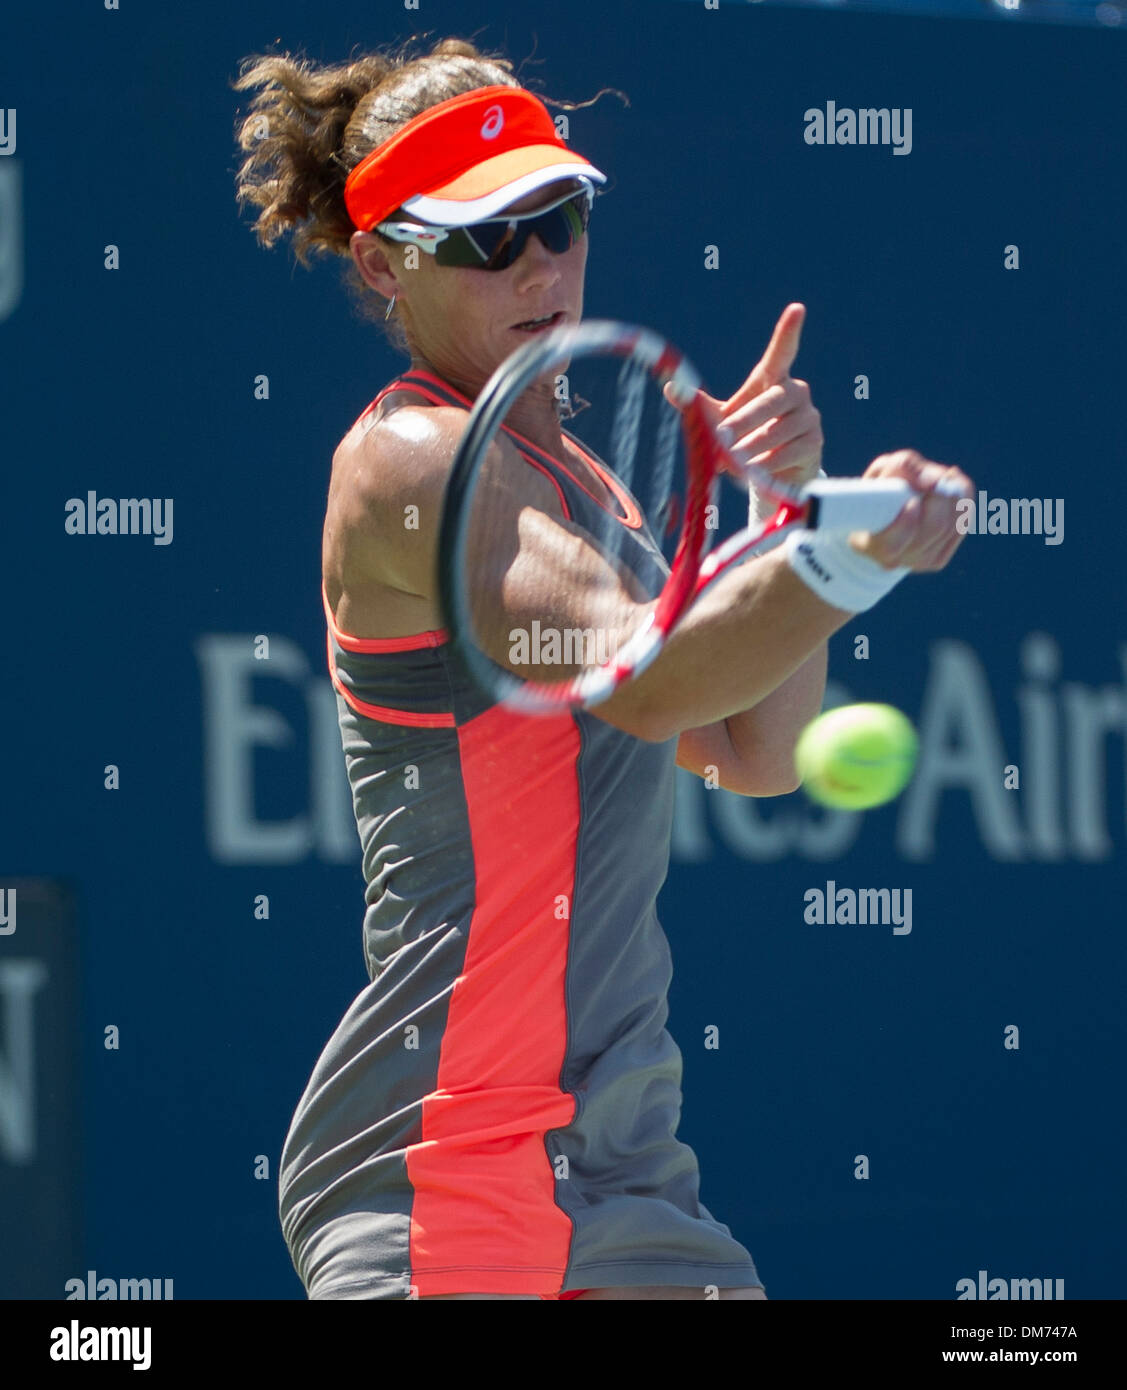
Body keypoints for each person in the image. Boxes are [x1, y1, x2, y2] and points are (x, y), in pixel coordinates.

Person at [233, 35, 970, 1301]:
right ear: (381, 265)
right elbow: (646, 677)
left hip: (624, 1171)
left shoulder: (591, 487)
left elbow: (751, 746)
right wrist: (845, 557)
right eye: (485, 236)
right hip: (443, 1161)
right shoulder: (405, 463)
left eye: (557, 218)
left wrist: (789, 514)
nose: (540, 265)